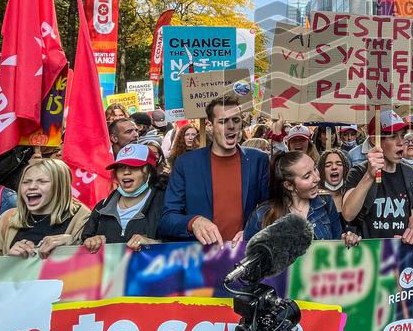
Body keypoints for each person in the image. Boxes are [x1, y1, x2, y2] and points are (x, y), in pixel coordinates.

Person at [160, 93, 269, 246]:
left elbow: (271, 209)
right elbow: (167, 219)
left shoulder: (258, 160)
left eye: (236, 120)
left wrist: (253, 230)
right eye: (223, 121)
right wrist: (193, 222)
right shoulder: (186, 164)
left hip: (244, 255)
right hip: (202, 257)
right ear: (210, 126)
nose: (231, 126)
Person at [340, 111, 413, 244]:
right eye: (393, 136)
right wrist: (369, 175)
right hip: (368, 255)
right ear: (374, 140)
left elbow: (412, 223)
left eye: (402, 135)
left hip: (397, 257)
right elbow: (348, 214)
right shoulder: (358, 172)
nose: (401, 142)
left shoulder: (411, 177)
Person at [0, 158, 91, 257]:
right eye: (26, 182)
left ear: (60, 186)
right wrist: (9, 258)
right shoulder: (8, 218)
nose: (32, 187)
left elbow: (92, 264)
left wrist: (73, 245)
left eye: (42, 182)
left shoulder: (82, 219)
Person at [82, 144, 165, 253]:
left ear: (149, 171)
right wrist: (91, 241)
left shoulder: (166, 203)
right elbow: (85, 240)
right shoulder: (102, 207)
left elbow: (182, 246)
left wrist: (155, 244)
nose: (126, 172)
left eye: (134, 167)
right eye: (121, 167)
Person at [244, 150, 342, 241]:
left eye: (315, 169)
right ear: (289, 185)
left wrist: (347, 239)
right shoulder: (262, 215)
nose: (317, 178)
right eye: (307, 176)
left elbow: (337, 244)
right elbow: (248, 254)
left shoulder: (326, 202)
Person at [317, 148, 351, 213]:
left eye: (339, 164)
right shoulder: (315, 199)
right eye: (328, 165)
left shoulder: (351, 197)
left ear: (345, 169)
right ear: (321, 171)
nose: (334, 167)